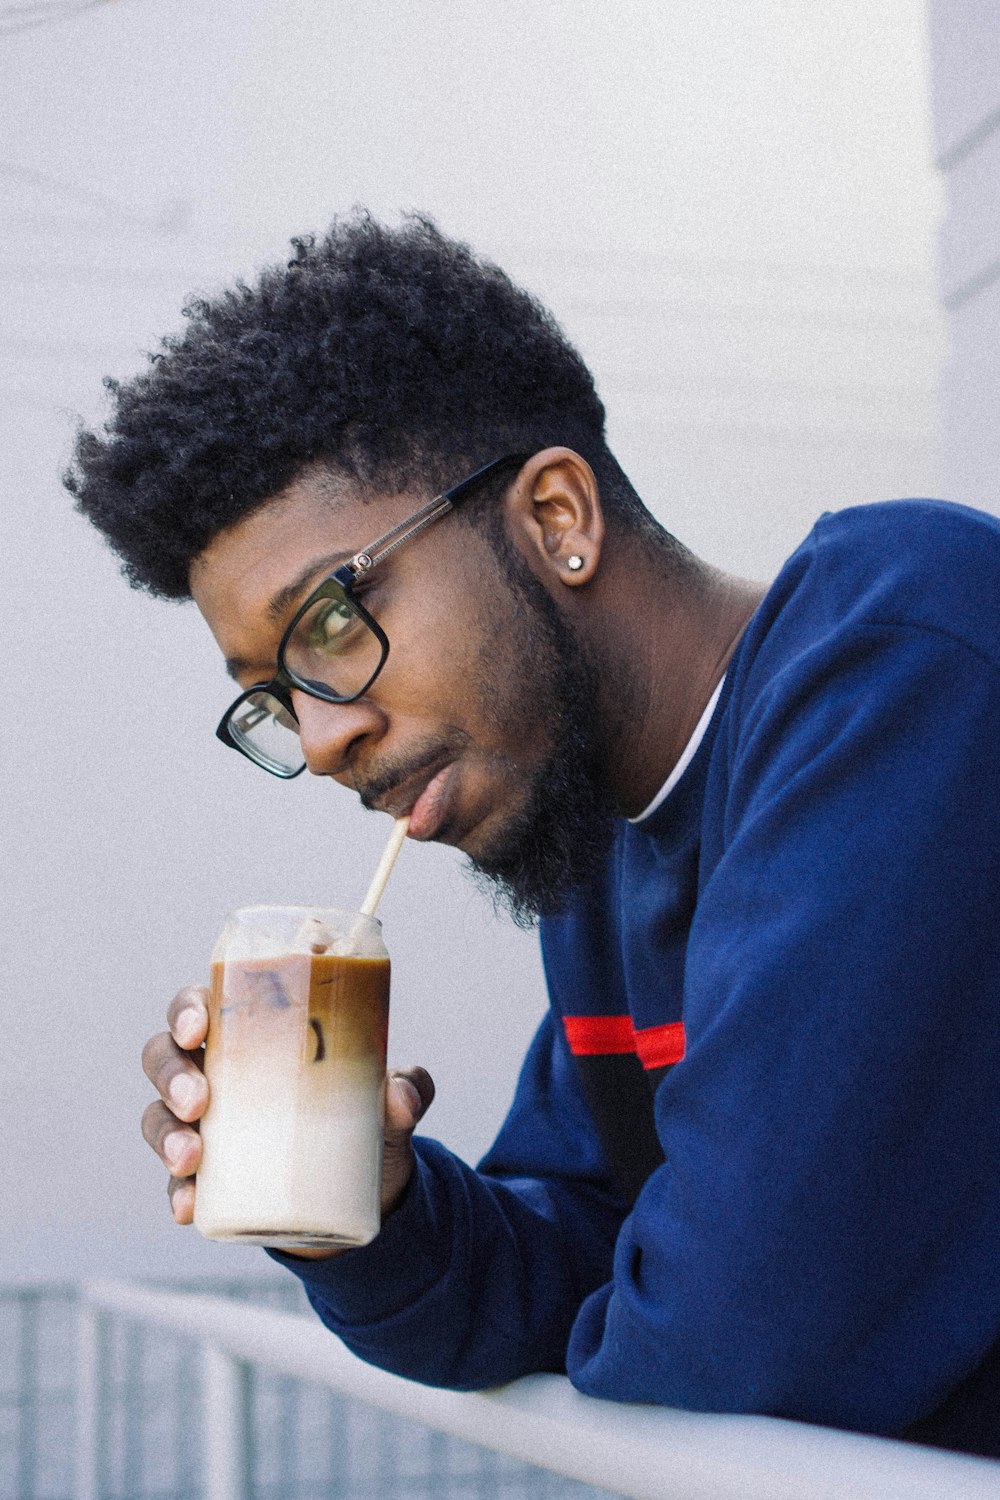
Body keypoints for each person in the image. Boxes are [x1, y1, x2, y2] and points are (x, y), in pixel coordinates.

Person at [67, 213, 1000, 1458]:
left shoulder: (901, 647)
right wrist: (368, 1206)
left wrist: (625, 1309)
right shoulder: (599, 849)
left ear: (557, 515)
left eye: (331, 624)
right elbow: (571, 1253)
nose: (323, 736)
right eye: (274, 697)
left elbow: (742, 1334)